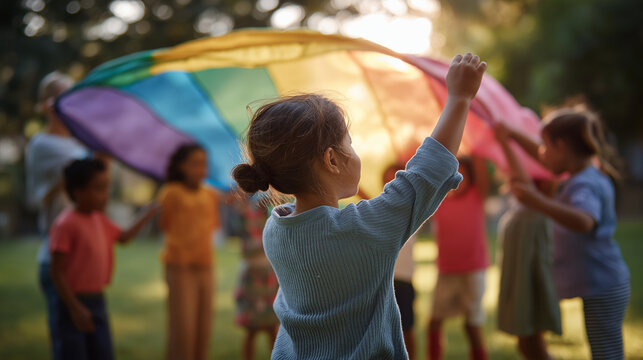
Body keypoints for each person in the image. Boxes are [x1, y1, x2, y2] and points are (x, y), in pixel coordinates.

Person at [232, 53, 487, 359]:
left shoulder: (276, 230)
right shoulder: (363, 229)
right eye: (349, 142)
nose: (354, 152)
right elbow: (427, 172)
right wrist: (459, 98)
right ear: (332, 159)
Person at [497, 105, 630, 359]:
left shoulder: (585, 184)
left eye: (547, 146)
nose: (541, 153)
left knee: (607, 354)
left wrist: (539, 202)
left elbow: (584, 222)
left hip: (603, 285)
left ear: (563, 148)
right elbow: (540, 155)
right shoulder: (583, 173)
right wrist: (512, 134)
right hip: (598, 282)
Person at [49, 159, 157, 360]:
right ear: (78, 191)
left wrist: (146, 214)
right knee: (74, 353)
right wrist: (75, 308)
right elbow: (56, 272)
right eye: (99, 188)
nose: (105, 195)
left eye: (106, 188)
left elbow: (123, 238)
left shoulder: (99, 219)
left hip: (97, 300)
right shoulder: (66, 224)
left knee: (102, 353)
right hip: (72, 303)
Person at [25, 71, 88, 357]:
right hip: (59, 257)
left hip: (86, 256)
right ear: (47, 105)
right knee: (69, 345)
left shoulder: (79, 144)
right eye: (63, 97)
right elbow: (39, 199)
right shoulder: (41, 144)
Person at [494, 125, 561, 359]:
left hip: (529, 276)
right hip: (519, 276)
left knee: (533, 345)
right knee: (526, 345)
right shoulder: (520, 206)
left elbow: (522, 177)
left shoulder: (538, 203)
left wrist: (506, 140)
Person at [158, 144, 221, 360]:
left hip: (206, 266)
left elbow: (212, 226)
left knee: (203, 329)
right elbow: (164, 224)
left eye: (203, 164)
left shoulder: (210, 195)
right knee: (182, 330)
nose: (200, 170)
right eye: (194, 164)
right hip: (179, 268)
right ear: (180, 166)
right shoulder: (171, 193)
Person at [427, 155, 490, 360]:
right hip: (446, 271)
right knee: (434, 322)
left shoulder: (476, 196)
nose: (458, 178)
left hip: (472, 271)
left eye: (463, 173)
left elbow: (481, 171)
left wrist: (476, 147)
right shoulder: (439, 200)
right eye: (454, 173)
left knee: (472, 325)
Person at [233, 195, 279, 360]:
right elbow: (241, 229)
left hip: (268, 276)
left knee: (272, 327)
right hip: (253, 276)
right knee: (252, 328)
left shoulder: (270, 215)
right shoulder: (243, 215)